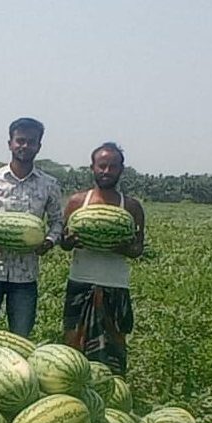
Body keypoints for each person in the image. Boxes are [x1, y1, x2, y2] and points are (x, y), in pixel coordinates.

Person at [0, 117, 63, 338]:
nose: (24, 146)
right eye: (20, 140)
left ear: (38, 146)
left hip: (25, 276)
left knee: (20, 338)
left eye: (31, 142)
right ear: (10, 143)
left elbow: (58, 221)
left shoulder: (49, 184)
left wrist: (49, 241)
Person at [60, 142, 144, 374]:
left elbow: (138, 249)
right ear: (93, 167)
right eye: (102, 166)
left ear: (121, 170)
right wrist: (69, 242)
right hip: (80, 282)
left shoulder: (132, 206)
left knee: (114, 348)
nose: (106, 171)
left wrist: (121, 247)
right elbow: (63, 242)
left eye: (112, 167)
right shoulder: (77, 202)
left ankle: (112, 395)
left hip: (115, 286)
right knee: (73, 347)